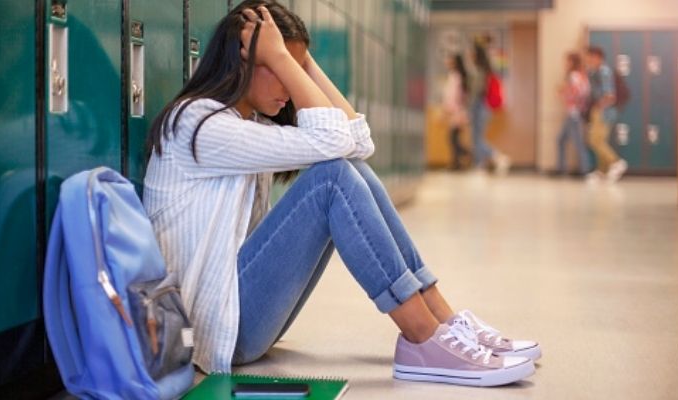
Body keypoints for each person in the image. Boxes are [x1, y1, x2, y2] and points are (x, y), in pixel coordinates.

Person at [144, 0, 540, 387]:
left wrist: (297, 59)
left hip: (235, 314)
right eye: (280, 69)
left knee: (350, 169)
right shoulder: (198, 124)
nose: (290, 86)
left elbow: (358, 142)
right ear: (242, 61)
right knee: (332, 179)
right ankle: (421, 336)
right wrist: (285, 60)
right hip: (210, 329)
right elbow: (334, 140)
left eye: (297, 71)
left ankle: (442, 322)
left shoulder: (249, 123)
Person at [585, 46, 628, 182]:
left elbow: (610, 96)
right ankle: (602, 171)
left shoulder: (604, 72)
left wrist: (599, 107)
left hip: (604, 111)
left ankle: (616, 162)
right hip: (598, 110)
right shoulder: (593, 72)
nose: (588, 60)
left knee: (595, 140)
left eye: (590, 57)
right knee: (599, 141)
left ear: (598, 57)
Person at [469, 42, 510, 175]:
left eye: (472, 53)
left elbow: (477, 92)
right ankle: (479, 164)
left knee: (477, 138)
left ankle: (498, 156)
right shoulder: (486, 70)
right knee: (476, 137)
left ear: (477, 55)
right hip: (484, 107)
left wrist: (468, 107)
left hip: (479, 107)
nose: (470, 55)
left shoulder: (480, 71)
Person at [556, 52, 591, 176]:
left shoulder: (574, 75)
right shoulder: (581, 75)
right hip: (574, 112)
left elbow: (578, 92)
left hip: (574, 113)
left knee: (577, 142)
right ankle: (561, 169)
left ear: (572, 62)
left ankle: (584, 170)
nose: (565, 64)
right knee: (561, 140)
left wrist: (563, 92)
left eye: (567, 61)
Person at [442, 54, 470, 170]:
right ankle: (457, 162)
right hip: (457, 111)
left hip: (456, 112)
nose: (447, 63)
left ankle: (465, 155)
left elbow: (453, 96)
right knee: (454, 138)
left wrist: (449, 109)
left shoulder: (456, 77)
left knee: (453, 138)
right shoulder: (458, 77)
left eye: (450, 61)